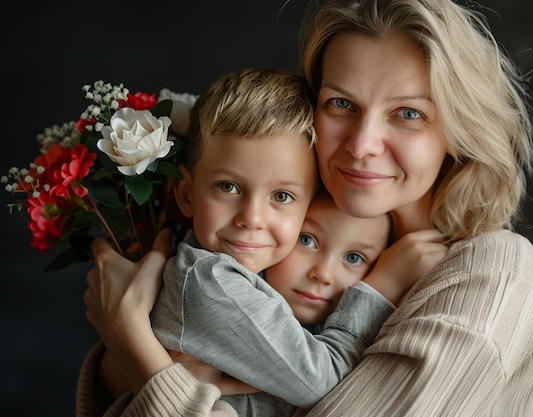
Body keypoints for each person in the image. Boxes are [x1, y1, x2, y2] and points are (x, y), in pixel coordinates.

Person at [80, 0, 533, 416]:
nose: (363, 145)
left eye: (409, 113)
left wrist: (135, 349)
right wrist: (117, 370)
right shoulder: (268, 234)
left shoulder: (492, 277)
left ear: (460, 130)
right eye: (341, 103)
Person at [84, 66, 439, 417]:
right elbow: (324, 383)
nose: (251, 218)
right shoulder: (210, 281)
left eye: (282, 196)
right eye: (228, 187)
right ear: (187, 194)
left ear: (308, 204)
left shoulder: (260, 279)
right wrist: (381, 287)